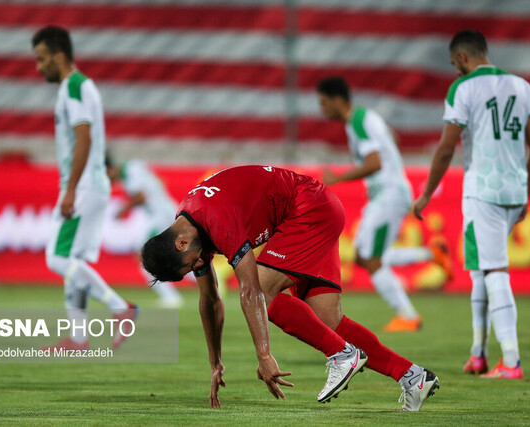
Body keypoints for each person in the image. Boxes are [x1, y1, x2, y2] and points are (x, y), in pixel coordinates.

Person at [142, 165, 439, 410]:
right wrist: (215, 361)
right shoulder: (191, 234)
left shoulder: (214, 218)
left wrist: (264, 354)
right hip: (314, 210)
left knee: (262, 294)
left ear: (181, 244)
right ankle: (413, 376)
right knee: (329, 321)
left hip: (308, 210)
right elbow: (209, 300)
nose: (197, 267)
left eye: (190, 265)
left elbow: (251, 291)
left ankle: (342, 355)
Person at [412, 30, 530, 379]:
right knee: (480, 270)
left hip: (482, 191)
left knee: (495, 272)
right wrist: (526, 192)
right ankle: (478, 353)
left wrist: (426, 193)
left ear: (464, 58)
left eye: (456, 64)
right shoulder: (523, 86)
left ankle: (511, 361)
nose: (457, 70)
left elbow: (445, 148)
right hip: (514, 191)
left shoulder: (464, 88)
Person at [317, 77, 454, 332]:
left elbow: (375, 163)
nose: (321, 109)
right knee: (362, 256)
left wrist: (338, 178)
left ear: (338, 100)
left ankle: (408, 315)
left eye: (324, 103)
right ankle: (431, 253)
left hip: (387, 194)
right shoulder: (366, 117)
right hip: (387, 192)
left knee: (371, 258)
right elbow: (394, 138)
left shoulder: (357, 123)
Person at [32, 26, 136, 350]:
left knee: (57, 257)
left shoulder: (74, 86)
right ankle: (78, 337)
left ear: (58, 56)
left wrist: (71, 188)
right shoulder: (81, 86)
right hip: (92, 183)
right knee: (73, 259)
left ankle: (121, 309)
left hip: (85, 185)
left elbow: (84, 136)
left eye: (42, 59)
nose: (39, 67)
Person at [106, 156, 184, 308]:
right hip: (166, 212)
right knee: (179, 254)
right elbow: (158, 182)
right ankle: (211, 282)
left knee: (144, 254)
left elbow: (141, 196)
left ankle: (171, 297)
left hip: (160, 216)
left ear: (110, 169)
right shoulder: (134, 167)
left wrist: (123, 210)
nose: (110, 182)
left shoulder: (130, 173)